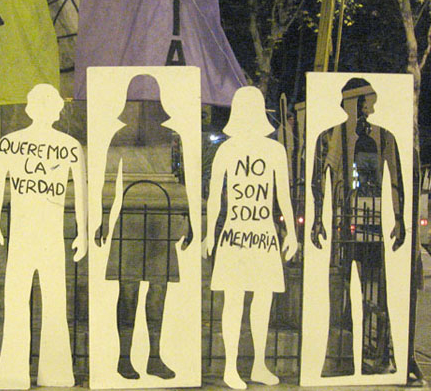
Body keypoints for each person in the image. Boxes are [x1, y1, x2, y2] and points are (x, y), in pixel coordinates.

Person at [0, 84, 87, 389]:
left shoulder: (67, 146)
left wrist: (82, 231)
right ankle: (17, 373)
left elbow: (81, 193)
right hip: (27, 234)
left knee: (45, 301)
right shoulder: (13, 144)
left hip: (46, 235)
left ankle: (52, 372)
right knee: (24, 301)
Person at [93, 75, 192, 380]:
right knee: (128, 291)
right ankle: (124, 357)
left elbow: (185, 178)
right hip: (131, 219)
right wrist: (103, 218)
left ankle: (154, 356)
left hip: (162, 218)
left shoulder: (174, 136)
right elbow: (109, 181)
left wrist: (187, 216)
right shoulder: (118, 137)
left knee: (158, 292)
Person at [204, 86, 297, 390]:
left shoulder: (274, 151)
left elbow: (283, 194)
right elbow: (214, 195)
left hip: (264, 234)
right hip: (235, 234)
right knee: (233, 300)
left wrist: (292, 232)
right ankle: (230, 367)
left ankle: (259, 364)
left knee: (263, 300)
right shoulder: (226, 150)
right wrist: (209, 232)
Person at [310, 78, 404, 376]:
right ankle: (341, 360)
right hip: (344, 227)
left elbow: (396, 179)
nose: (372, 108)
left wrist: (399, 218)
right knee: (341, 294)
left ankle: (375, 359)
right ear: (355, 104)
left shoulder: (384, 137)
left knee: (372, 294)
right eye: (367, 102)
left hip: (368, 227)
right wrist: (317, 219)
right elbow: (317, 182)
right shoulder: (329, 137)